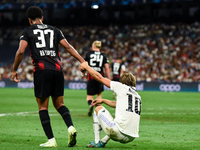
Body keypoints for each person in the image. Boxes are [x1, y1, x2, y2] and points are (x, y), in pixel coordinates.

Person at [11, 6, 85, 148]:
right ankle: (70, 127)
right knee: (60, 104)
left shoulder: (27, 31)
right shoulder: (55, 30)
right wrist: (82, 61)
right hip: (58, 69)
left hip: (42, 70)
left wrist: (14, 69)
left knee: (42, 107)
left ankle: (51, 140)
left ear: (29, 20)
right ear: (42, 18)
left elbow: (21, 51)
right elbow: (68, 47)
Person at [80, 61, 141, 148]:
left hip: (118, 132)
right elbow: (119, 104)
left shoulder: (121, 87)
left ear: (122, 82)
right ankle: (103, 141)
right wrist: (104, 100)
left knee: (98, 109)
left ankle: (96, 141)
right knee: (118, 121)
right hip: (131, 137)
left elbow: (100, 78)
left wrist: (87, 67)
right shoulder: (137, 96)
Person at [85, 41, 110, 116]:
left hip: (91, 77)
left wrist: (84, 73)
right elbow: (107, 68)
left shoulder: (88, 54)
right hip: (100, 77)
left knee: (89, 97)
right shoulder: (104, 55)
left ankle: (90, 105)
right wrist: (109, 79)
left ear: (94, 46)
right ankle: (99, 112)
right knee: (99, 96)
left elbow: (84, 65)